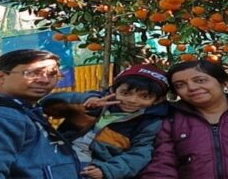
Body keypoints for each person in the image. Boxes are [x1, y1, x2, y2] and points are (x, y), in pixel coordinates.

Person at [0, 48, 81, 179]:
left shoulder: (26, 112)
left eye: (52, 74)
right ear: (1, 77)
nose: (45, 80)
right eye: (32, 73)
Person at [41, 63, 170, 179]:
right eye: (125, 93)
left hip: (93, 166)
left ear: (157, 100)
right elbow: (47, 105)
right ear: (113, 90)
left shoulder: (149, 123)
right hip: (58, 152)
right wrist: (84, 101)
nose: (132, 100)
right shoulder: (96, 101)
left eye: (145, 96)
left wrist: (108, 170)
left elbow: (140, 153)